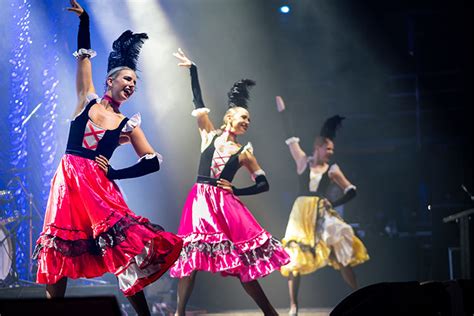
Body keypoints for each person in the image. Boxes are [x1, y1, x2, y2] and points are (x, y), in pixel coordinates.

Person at [33, 1, 182, 315]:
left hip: (100, 191)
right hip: (69, 185)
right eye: (127, 79)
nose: (131, 85)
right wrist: (85, 22)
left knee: (120, 254)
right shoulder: (85, 101)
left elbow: (153, 160)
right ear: (110, 80)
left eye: (135, 84)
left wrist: (115, 173)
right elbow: (84, 59)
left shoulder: (128, 124)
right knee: (60, 250)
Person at [170, 49, 290, 315]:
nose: (247, 122)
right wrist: (193, 70)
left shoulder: (244, 152)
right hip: (200, 201)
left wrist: (236, 189)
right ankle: (179, 313)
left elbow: (263, 184)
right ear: (229, 118)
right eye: (244, 117)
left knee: (239, 263)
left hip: (224, 206)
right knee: (191, 256)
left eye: (249, 120)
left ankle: (269, 311)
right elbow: (197, 102)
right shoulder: (208, 135)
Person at [276, 96, 369, 316]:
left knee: (341, 250)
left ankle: (359, 295)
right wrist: (283, 112)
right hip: (300, 213)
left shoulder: (332, 169)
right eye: (328, 148)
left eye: (332, 149)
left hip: (320, 212)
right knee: (294, 256)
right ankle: (293, 306)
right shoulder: (302, 161)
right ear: (318, 147)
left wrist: (332, 203)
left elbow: (351, 190)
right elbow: (290, 138)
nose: (330, 152)